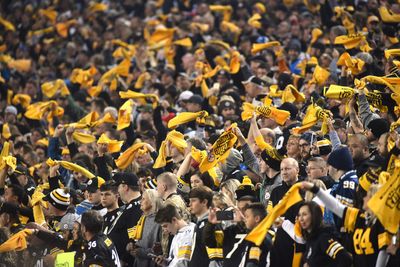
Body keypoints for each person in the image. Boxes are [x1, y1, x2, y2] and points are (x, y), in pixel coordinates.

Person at [302, 182, 392, 267]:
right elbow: (335, 206)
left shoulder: (383, 223)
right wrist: (315, 189)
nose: (364, 198)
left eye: (368, 196)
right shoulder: (359, 217)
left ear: (375, 199)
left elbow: (384, 252)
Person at [280, 201, 352, 267]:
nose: (300, 219)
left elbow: (345, 258)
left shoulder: (324, 238)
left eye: (304, 214)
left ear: (314, 215)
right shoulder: (311, 238)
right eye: (299, 215)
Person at [113, 172, 143, 266]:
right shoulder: (132, 206)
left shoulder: (136, 208)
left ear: (125, 187)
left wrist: (124, 259)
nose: (118, 191)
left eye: (119, 187)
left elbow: (133, 240)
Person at [129, 189, 163, 267]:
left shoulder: (160, 221)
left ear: (152, 200)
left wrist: (141, 252)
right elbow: (139, 240)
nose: (140, 201)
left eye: (143, 199)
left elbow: (162, 249)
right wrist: (133, 246)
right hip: (139, 262)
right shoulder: (143, 218)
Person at [188, 186, 213, 267]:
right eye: (189, 201)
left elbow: (214, 258)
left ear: (204, 202)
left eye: (193, 201)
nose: (190, 204)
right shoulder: (200, 223)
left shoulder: (210, 225)